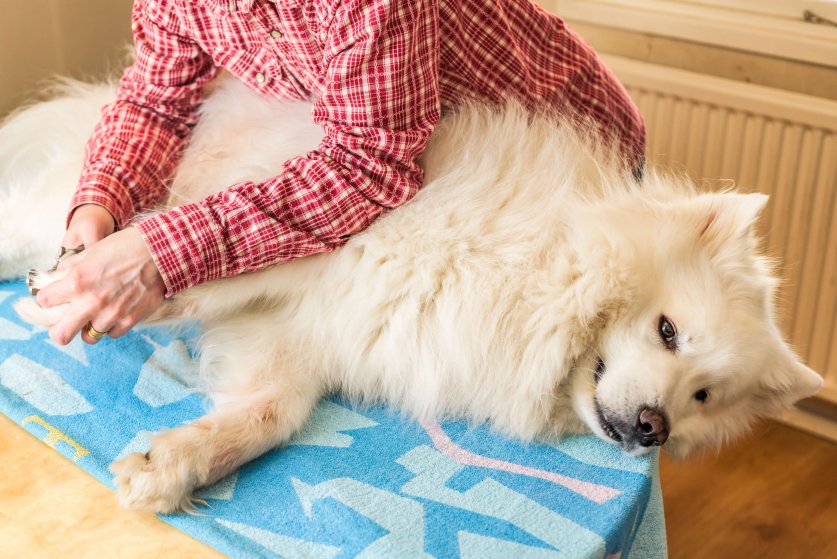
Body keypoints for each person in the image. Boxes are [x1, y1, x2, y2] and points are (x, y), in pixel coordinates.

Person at [37, 0, 645, 346]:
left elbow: (367, 165)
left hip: (573, 161)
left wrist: (159, 252)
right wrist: (100, 205)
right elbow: (154, 100)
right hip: (443, 144)